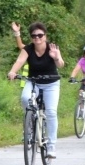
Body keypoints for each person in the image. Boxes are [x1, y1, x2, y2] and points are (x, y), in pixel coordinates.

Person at [7, 21, 65, 158]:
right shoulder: (28, 49)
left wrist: (56, 58)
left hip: (51, 83)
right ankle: (29, 126)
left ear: (45, 35)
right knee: (25, 98)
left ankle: (51, 146)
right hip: (33, 82)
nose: (37, 38)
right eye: (34, 36)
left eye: (40, 35)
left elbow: (61, 65)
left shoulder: (52, 47)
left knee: (51, 112)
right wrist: (12, 72)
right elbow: (20, 62)